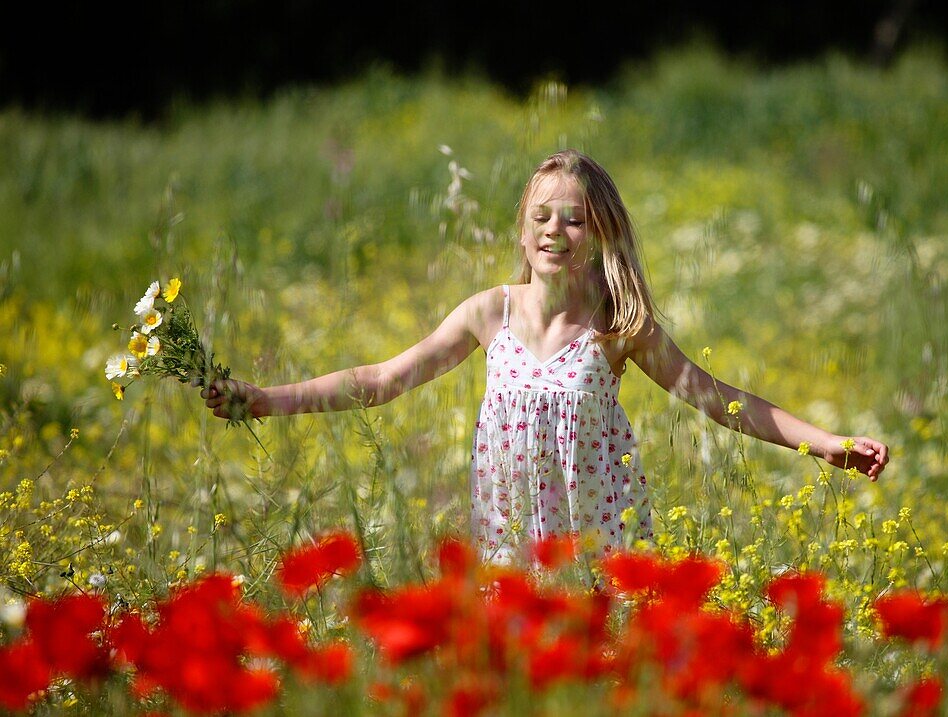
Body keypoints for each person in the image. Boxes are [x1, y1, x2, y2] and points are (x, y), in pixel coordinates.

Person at [202, 149, 890, 564]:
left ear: (600, 231)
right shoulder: (488, 313)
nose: (554, 231)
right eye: (541, 216)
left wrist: (824, 444)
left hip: (598, 547)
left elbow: (721, 399)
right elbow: (381, 379)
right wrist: (267, 398)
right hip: (509, 548)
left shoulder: (620, 326)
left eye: (573, 217)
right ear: (523, 228)